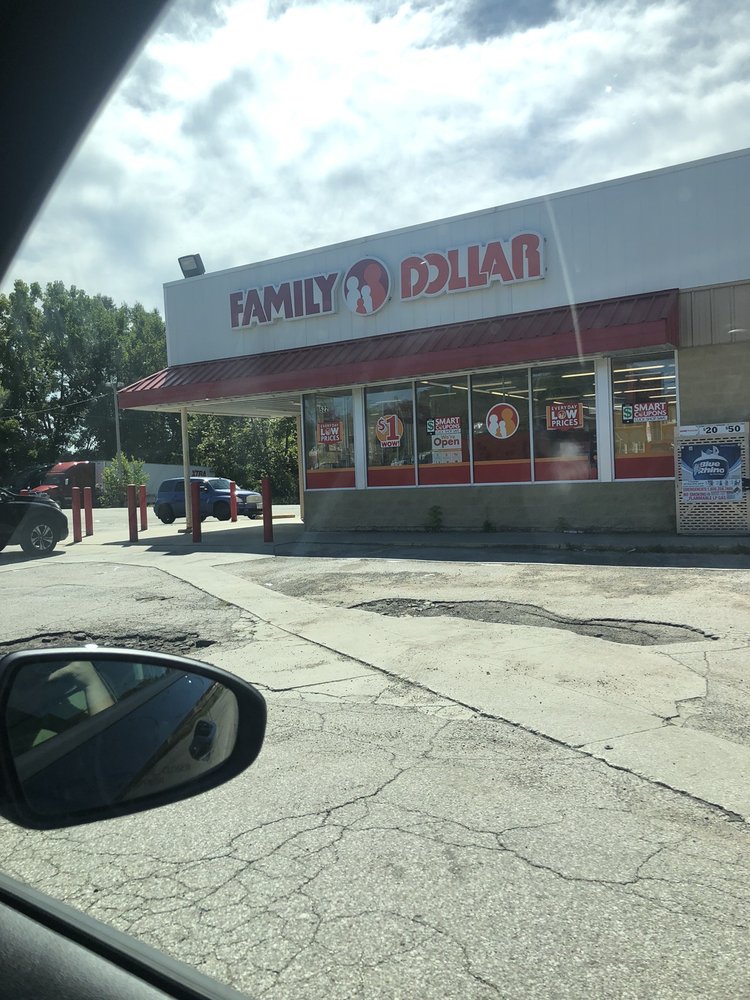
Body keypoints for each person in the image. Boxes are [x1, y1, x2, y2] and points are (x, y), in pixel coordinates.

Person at [6, 658, 116, 755]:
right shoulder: (30, 709)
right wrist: (92, 683)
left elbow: (106, 737)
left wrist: (91, 683)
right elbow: (108, 740)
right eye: (23, 686)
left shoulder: (45, 710)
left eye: (44, 685)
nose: (34, 692)